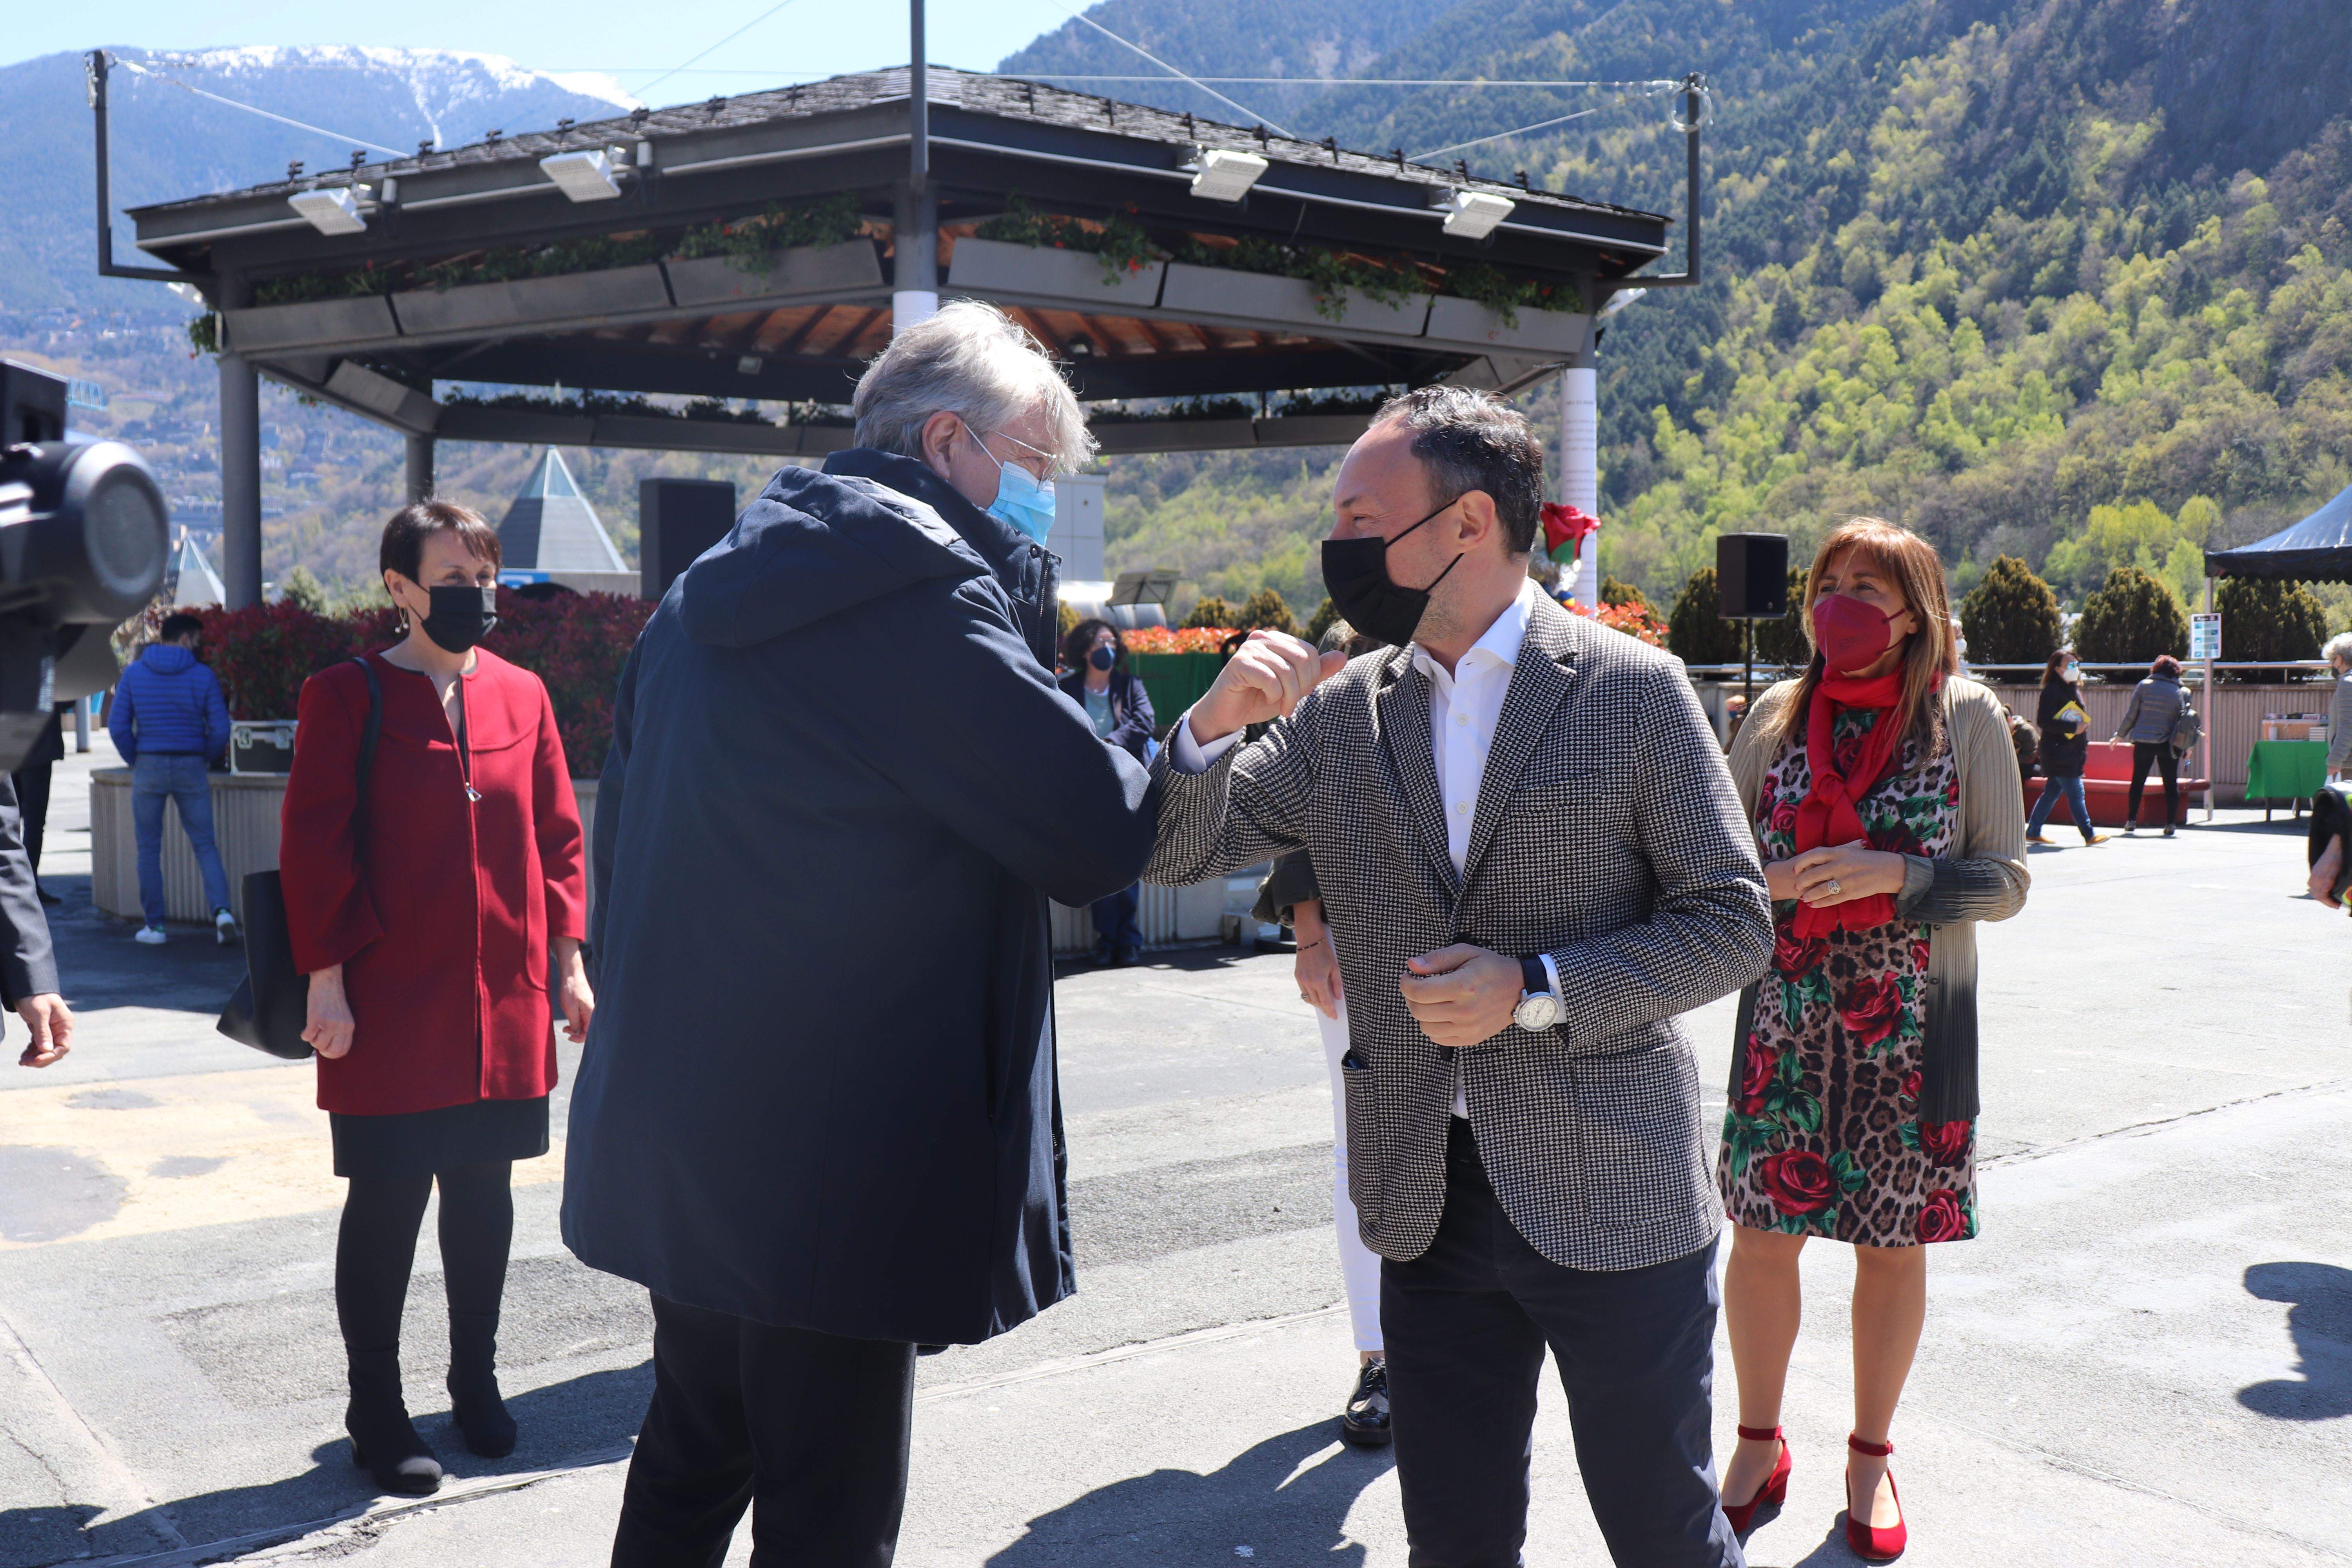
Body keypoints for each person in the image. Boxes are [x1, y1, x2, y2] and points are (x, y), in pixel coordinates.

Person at [564, 300, 1156, 1566]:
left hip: (693, 1120)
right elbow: (1086, 832)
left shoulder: (700, 596)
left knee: (694, 1443)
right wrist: (1203, 744)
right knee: (829, 1504)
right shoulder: (917, 593)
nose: (1042, 503)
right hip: (837, 1138)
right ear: (951, 442)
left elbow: (624, 844)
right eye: (1037, 470)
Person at [1145, 386, 1773, 1568]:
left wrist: (1534, 983)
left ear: (1466, 523)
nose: (1335, 542)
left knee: (1661, 1534)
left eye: (1358, 512)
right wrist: (1209, 724)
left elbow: (1731, 922)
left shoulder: (1631, 689)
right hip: (1424, 1203)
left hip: (1614, 1194)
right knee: (1453, 1542)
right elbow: (1181, 850)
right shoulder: (1342, 715)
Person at [1712, 517, 2027, 1562]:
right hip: (1787, 1017)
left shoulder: (1966, 717)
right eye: (1828, 581)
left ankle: (1869, 1454)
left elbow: (2008, 883)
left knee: (1893, 1248)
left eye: (1868, 584)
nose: (1839, 601)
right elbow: (1708, 877)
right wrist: (1778, 881)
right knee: (1763, 1240)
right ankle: (1760, 1442)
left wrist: (1903, 877)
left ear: (1917, 612)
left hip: (1923, 1025)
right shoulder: (1774, 714)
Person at [279, 501, 592, 1498]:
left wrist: (572, 959)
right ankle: (376, 1406)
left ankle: (476, 1379)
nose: (476, 594)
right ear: (400, 588)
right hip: (386, 997)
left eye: (486, 575)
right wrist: (325, 978)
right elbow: (313, 848)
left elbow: (557, 839)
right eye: (453, 576)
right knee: (389, 1198)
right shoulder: (347, 695)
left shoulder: (524, 694)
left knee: (486, 1191)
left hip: (504, 995)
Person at [1249, 619, 1391, 1447]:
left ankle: (1456, 1346)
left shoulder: (1478, 631)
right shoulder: (1344, 646)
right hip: (1354, 947)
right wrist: (1310, 931)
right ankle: (1377, 1355)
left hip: (1477, 945)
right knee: (1360, 1150)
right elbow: (1297, 808)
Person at [108, 611, 236, 944]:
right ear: (183, 639)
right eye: (196, 640)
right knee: (205, 844)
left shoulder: (134, 674)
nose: (199, 646)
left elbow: (118, 725)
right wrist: (203, 755)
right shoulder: (203, 676)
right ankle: (222, 913)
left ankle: (156, 927)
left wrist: (136, 757)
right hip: (191, 765)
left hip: (148, 764)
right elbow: (221, 728)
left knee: (149, 848)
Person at [1058, 617, 1155, 965]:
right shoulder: (1066, 688)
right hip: (1088, 787)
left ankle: (1129, 941)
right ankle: (1106, 939)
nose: (1108, 648)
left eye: (1112, 642)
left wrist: (1107, 744)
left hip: (1128, 785)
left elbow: (1144, 722)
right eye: (1101, 642)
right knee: (1099, 864)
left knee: (1128, 865)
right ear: (1086, 650)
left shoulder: (1130, 686)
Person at [2026, 647, 2108, 847]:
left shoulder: (2073, 689)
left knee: (2053, 792)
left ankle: (2034, 830)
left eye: (2076, 664)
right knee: (2076, 793)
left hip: (2070, 752)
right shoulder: (2052, 691)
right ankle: (2089, 834)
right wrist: (2073, 727)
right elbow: (2043, 721)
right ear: (2058, 669)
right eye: (2070, 665)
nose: (2075, 668)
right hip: (2058, 753)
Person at [2112, 653, 2189, 836]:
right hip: (2169, 744)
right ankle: (2170, 824)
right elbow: (2186, 724)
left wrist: (2119, 735)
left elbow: (2132, 714)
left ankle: (2131, 821)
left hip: (2143, 741)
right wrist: (2187, 747)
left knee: (2138, 780)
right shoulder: (2183, 691)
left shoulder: (2144, 686)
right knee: (2171, 783)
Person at [13, 706, 66, 905]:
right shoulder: (48, 675)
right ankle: (28, 884)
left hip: (11, 742)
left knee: (10, 820)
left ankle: (16, 884)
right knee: (34, 823)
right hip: (38, 748)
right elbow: (67, 697)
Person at [2326, 633, 2352, 780]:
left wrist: (2335, 760)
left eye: (2332, 660)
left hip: (2349, 765)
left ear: (2340, 659)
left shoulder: (2348, 684)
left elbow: (2348, 725)